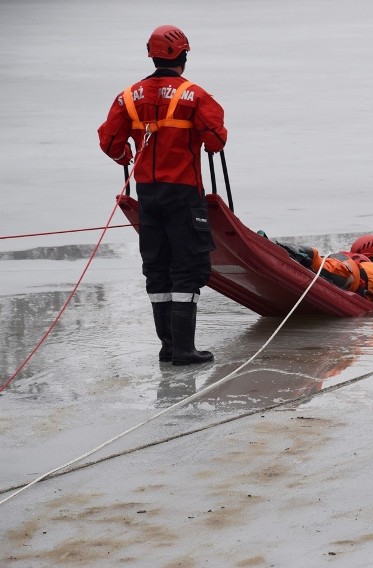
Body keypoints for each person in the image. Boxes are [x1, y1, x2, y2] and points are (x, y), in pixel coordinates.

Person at [98, 25, 228, 365]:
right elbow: (215, 140)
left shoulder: (127, 97)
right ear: (183, 55)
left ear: (152, 56)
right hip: (184, 194)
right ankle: (184, 349)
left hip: (148, 196)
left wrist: (125, 156)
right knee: (187, 268)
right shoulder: (196, 96)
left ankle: (168, 347)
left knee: (157, 268)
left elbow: (110, 141)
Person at [276, 234, 373, 307]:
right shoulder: (371, 269)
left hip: (338, 262)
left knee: (329, 266)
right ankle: (302, 255)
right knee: (336, 269)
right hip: (349, 271)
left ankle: (289, 250)